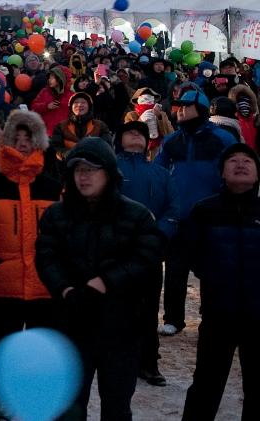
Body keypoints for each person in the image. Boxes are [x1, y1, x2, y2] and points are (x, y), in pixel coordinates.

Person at [36, 137, 163, 421]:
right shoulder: (56, 215)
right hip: (70, 324)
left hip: (121, 327)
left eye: (92, 169)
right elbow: (46, 257)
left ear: (108, 172)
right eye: (78, 169)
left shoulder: (137, 214)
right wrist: (65, 288)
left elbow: (147, 260)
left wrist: (106, 282)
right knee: (67, 406)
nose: (84, 176)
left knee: (117, 407)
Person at [0, 110, 63, 420]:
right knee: (4, 346)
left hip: (44, 283)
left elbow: (62, 232)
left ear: (38, 142)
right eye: (16, 139)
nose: (22, 145)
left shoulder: (53, 186)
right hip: (3, 284)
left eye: (28, 139)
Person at [180, 142, 260, 420]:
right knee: (205, 388)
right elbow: (187, 253)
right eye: (233, 160)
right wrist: (212, 273)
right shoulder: (204, 210)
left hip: (259, 317)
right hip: (218, 315)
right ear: (222, 173)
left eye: (247, 160)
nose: (240, 163)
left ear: (257, 173)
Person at [154, 88, 236, 335]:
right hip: (180, 215)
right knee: (175, 271)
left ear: (200, 110)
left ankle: (214, 315)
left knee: (214, 271)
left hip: (213, 216)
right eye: (178, 106)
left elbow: (233, 169)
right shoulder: (171, 140)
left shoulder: (223, 138)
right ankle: (173, 319)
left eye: (185, 106)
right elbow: (159, 174)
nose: (179, 110)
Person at [114, 119, 178, 387]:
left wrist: (159, 233)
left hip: (149, 250)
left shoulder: (161, 173)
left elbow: (174, 209)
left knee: (149, 307)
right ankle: (114, 359)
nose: (135, 137)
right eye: (130, 132)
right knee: (115, 306)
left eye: (140, 133)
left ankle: (148, 362)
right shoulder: (110, 169)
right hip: (116, 249)